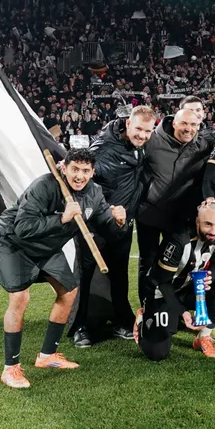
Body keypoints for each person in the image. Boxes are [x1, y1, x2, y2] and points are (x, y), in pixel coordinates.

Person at [0, 148, 129, 389]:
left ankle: (47, 356)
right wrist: (62, 219)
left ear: (93, 173)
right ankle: (10, 368)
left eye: (86, 171)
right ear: (64, 168)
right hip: (14, 242)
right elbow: (23, 227)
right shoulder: (43, 186)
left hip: (47, 246)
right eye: (75, 169)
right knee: (20, 298)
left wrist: (118, 222)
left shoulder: (94, 194)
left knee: (69, 291)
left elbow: (108, 230)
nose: (79, 176)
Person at [70, 104, 155, 347]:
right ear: (128, 123)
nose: (142, 135)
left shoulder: (141, 146)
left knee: (119, 276)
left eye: (148, 132)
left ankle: (120, 320)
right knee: (86, 274)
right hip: (95, 224)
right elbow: (81, 175)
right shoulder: (103, 148)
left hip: (123, 224)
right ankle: (80, 327)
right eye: (139, 129)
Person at [136, 200, 215, 360]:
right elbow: (163, 283)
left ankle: (204, 336)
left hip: (188, 286)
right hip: (161, 291)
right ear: (197, 221)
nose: (214, 231)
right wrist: (182, 312)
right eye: (208, 224)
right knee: (157, 353)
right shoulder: (179, 239)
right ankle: (143, 319)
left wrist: (211, 276)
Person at [137, 108, 212, 303]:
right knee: (148, 262)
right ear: (174, 123)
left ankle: (170, 305)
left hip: (179, 218)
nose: (189, 129)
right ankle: (147, 308)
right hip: (149, 214)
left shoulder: (203, 145)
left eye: (194, 125)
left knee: (177, 262)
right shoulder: (152, 140)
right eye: (184, 124)